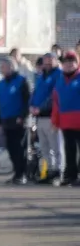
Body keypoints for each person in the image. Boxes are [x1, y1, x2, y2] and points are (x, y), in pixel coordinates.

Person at [0, 56, 32, 185]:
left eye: (4, 67)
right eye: (1, 67)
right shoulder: (0, 84)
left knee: (19, 148)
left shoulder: (22, 81)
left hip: (18, 121)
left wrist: (23, 117)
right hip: (6, 120)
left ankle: (22, 174)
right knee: (11, 149)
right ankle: (16, 173)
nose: (2, 69)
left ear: (12, 67)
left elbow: (27, 101)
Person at [32, 53, 63, 184]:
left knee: (55, 146)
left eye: (50, 61)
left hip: (51, 116)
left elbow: (54, 96)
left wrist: (42, 108)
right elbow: (35, 93)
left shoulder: (59, 75)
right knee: (44, 147)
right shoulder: (41, 76)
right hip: (39, 117)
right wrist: (31, 105)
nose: (48, 64)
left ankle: (58, 172)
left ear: (56, 61)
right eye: (46, 61)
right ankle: (50, 171)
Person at [53, 51, 80, 186]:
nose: (69, 65)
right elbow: (56, 102)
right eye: (66, 63)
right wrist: (55, 120)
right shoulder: (60, 80)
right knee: (69, 150)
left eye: (72, 62)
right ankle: (71, 176)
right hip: (66, 121)